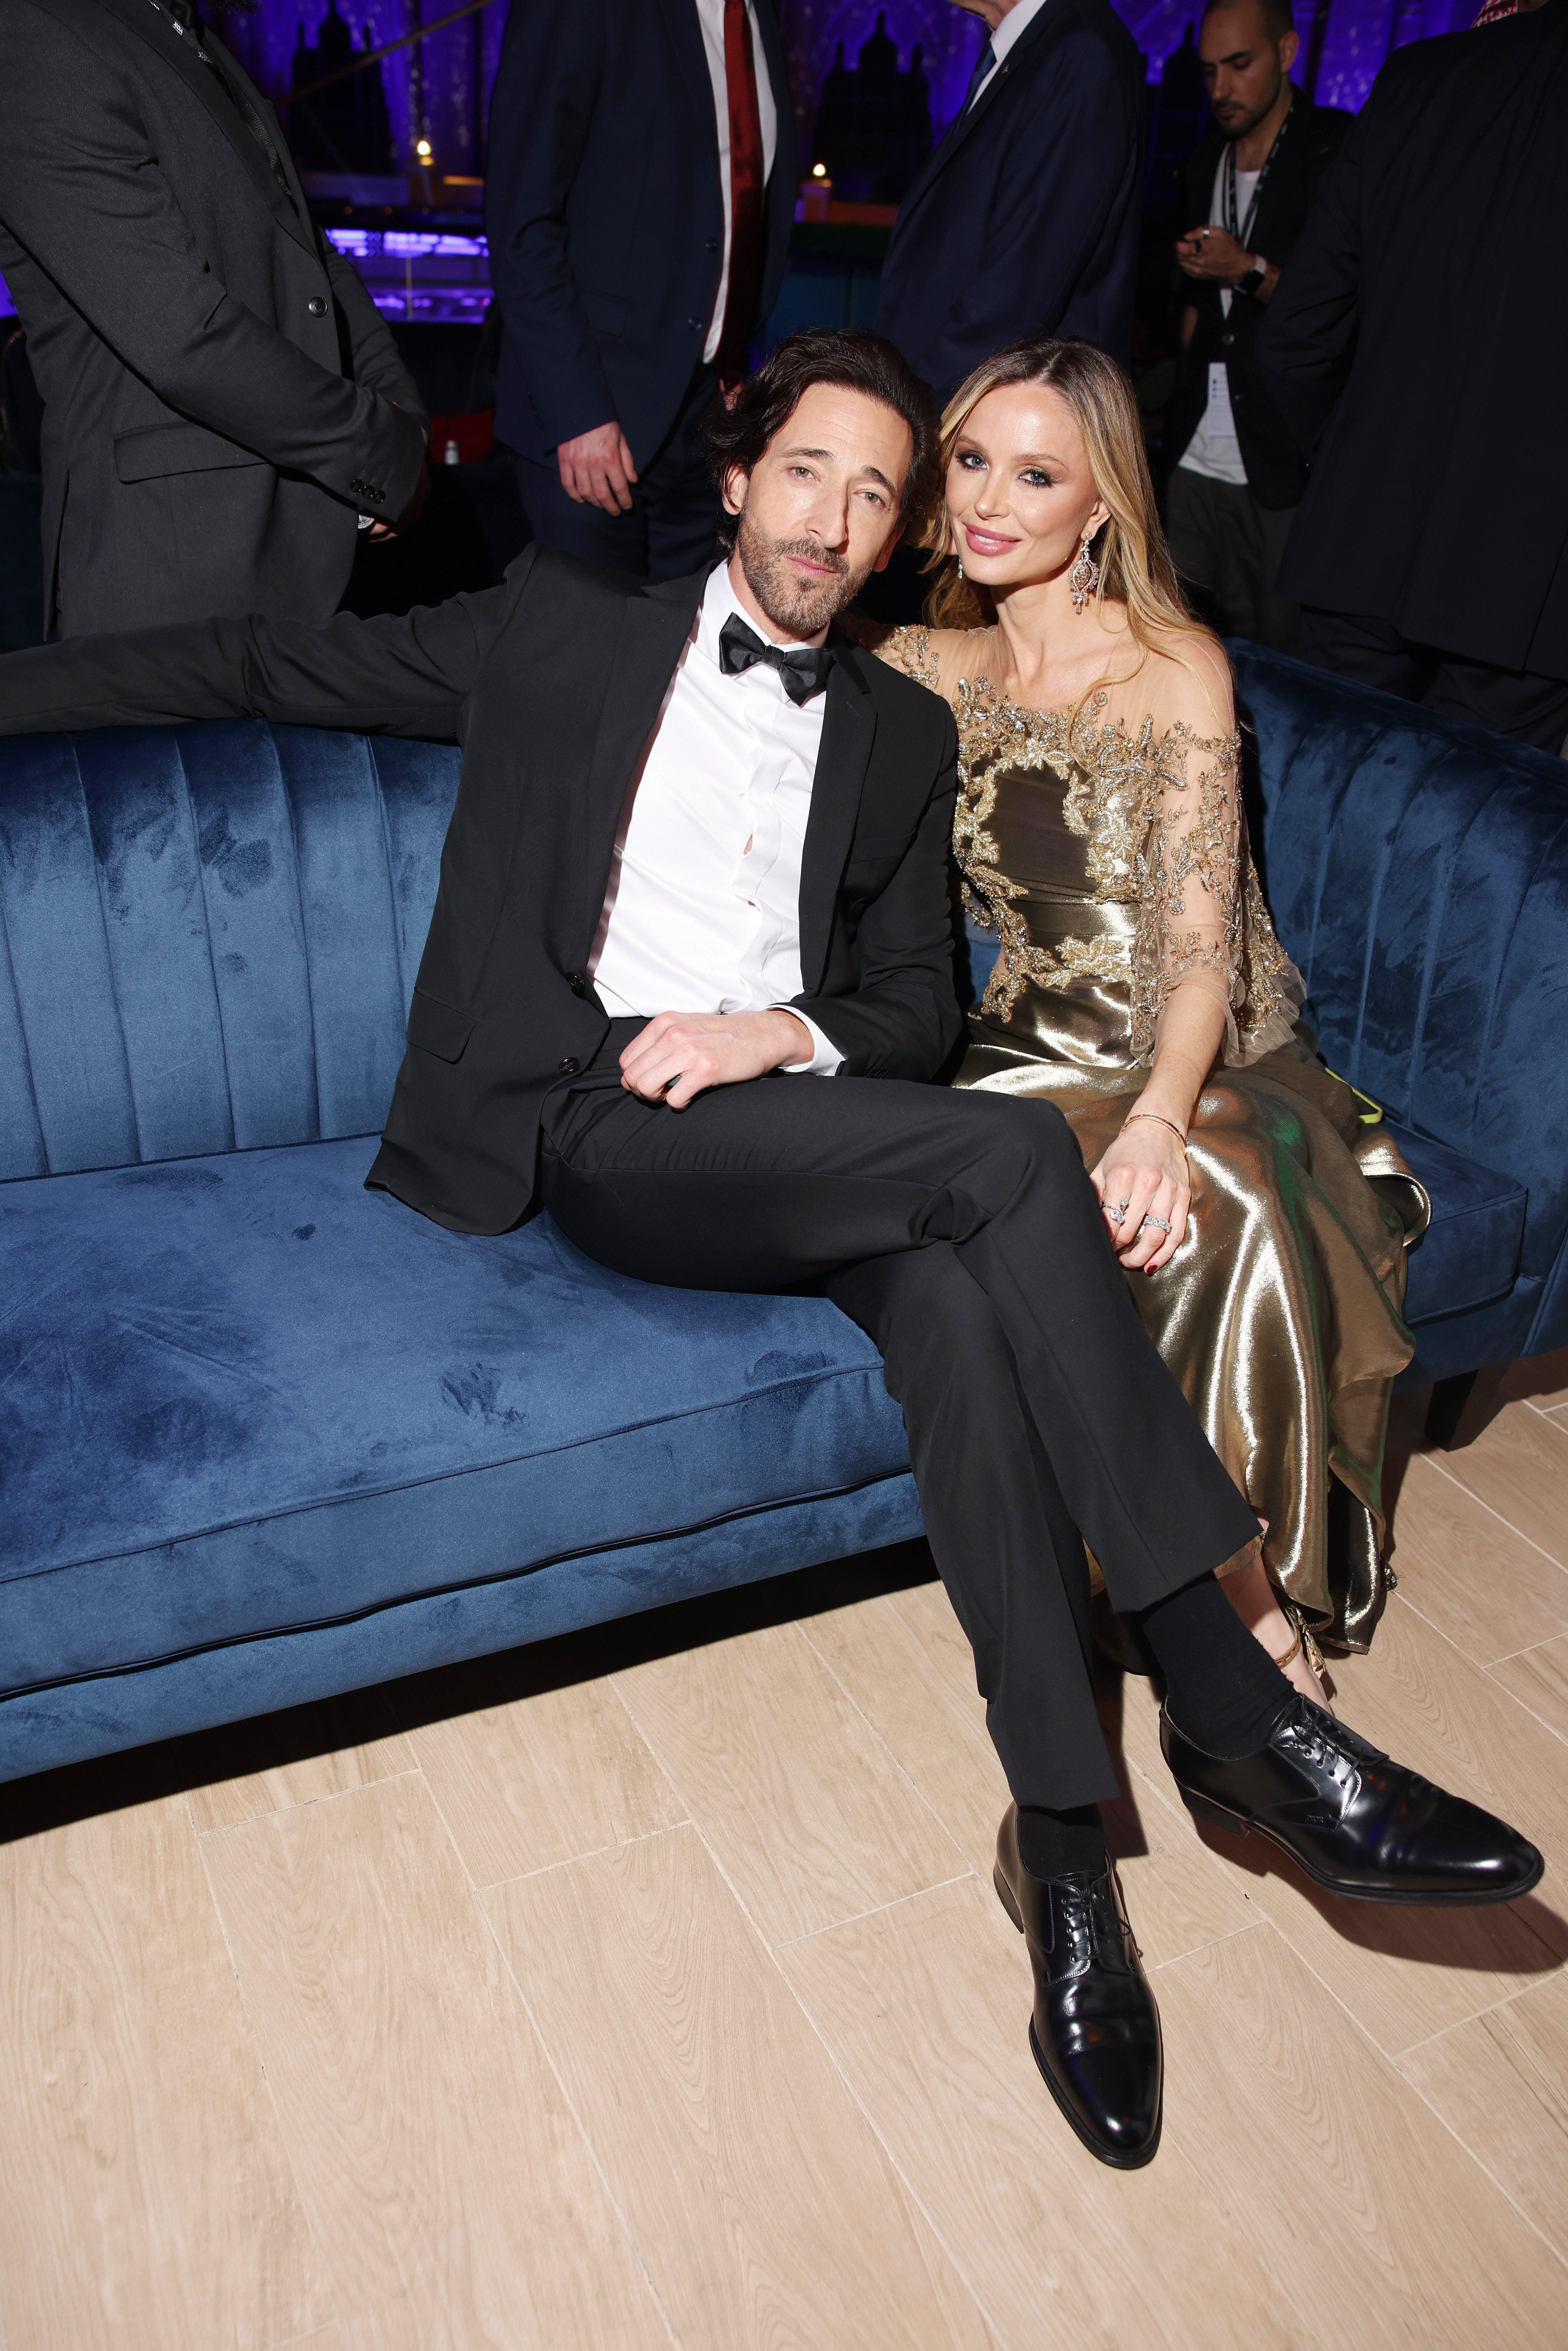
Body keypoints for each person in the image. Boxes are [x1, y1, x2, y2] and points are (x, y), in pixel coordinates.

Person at [0, 329, 1539, 2176]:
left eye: (878, 492)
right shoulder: (557, 629)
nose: (838, 516)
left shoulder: (894, 726)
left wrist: (768, 1036)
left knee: (966, 1317)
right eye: (808, 470)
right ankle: (1230, 1701)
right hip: (602, 1127)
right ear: (735, 478)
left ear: (894, 540)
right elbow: (254, 655)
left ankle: (1062, 1854)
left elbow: (900, 1010)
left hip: (786, 1119)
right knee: (998, 1161)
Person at [865, 329, 1432, 1710]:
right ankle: (1234, 1621)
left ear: (1102, 502)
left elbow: (1200, 955)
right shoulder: (925, 666)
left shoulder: (1175, 667)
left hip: (1194, 1047)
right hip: (1013, 1058)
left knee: (1225, 1184)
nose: (992, 500)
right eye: (972, 463)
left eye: (1037, 474)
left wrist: (1161, 1123)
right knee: (1065, 1206)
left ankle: (1243, 1610)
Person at [0, 0, 429, 640]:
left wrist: (402, 416)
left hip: (303, 561)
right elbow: (185, 337)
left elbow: (314, 260)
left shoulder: (190, 36)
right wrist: (377, 452)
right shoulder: (36, 33)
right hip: (175, 577)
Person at [1256, 0, 1568, 752]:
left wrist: (1358, 462)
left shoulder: (1415, 76)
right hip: (1529, 581)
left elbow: (1294, 339)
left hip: (1361, 542)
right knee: (1472, 848)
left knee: (1325, 822)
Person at [485, 0, 796, 581]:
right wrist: (576, 413)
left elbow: (743, 205)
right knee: (587, 662)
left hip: (706, 422)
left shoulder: (758, 14)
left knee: (677, 661)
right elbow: (521, 221)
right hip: (592, 415)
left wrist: (732, 365)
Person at [1164, 0, 1350, 654]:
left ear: (1288, 52)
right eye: (1209, 71)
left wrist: (1245, 269)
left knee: (1279, 653)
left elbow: (1348, 304)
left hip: (1280, 453)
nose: (1221, 89)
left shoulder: (1333, 152)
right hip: (1193, 446)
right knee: (1169, 638)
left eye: (1240, 66)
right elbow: (1191, 306)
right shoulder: (1203, 156)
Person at [876, 0, 1145, 405]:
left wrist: (907, 413)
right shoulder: (1033, 49)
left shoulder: (1079, 51)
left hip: (1006, 427)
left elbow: (1014, 299)